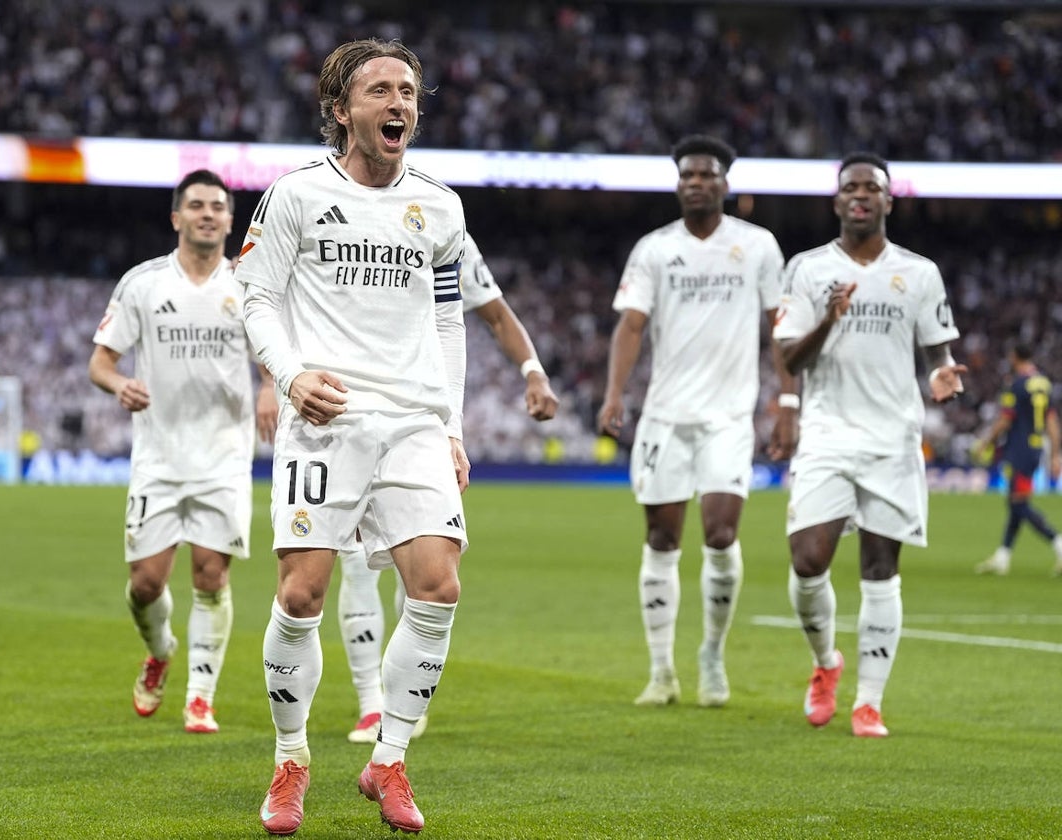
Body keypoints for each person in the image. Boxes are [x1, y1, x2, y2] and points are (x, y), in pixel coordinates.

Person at [235, 39, 468, 836]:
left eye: (407, 91)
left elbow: (446, 318)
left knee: (438, 586)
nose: (398, 103)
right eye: (379, 91)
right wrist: (292, 374)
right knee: (301, 594)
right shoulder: (296, 195)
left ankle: (390, 758)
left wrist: (452, 425)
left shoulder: (440, 205)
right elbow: (255, 297)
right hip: (325, 417)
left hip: (412, 420)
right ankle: (291, 759)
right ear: (341, 110)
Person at [597, 134, 798, 710]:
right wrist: (616, 393)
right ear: (678, 183)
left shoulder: (758, 246)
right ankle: (662, 670)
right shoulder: (655, 249)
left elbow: (780, 329)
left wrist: (788, 404)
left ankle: (711, 651)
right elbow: (631, 326)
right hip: (664, 416)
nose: (696, 182)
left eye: (707, 175)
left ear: (725, 185)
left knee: (721, 532)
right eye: (687, 175)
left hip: (729, 417)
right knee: (661, 538)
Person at [338, 230, 559, 744]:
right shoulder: (340, 216)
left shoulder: (439, 226)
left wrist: (533, 370)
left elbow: (496, 312)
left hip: (421, 420)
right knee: (354, 564)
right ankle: (371, 704)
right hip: (350, 414)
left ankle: (400, 702)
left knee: (420, 567)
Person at [774, 151, 966, 738]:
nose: (860, 195)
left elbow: (938, 350)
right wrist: (830, 319)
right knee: (808, 561)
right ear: (837, 202)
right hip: (828, 433)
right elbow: (788, 357)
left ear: (888, 200)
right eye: (851, 187)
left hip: (892, 438)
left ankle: (870, 703)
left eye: (872, 188)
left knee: (881, 570)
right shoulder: (806, 269)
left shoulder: (920, 272)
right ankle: (827, 661)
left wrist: (943, 374)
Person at [89, 169, 276, 736]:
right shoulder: (143, 284)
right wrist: (119, 385)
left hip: (224, 454)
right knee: (145, 583)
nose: (207, 214)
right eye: (196, 205)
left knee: (211, 576)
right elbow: (101, 361)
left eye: (218, 206)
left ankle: (200, 696)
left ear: (229, 219)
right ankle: (161, 648)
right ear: (177, 217)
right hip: (159, 458)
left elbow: (270, 352)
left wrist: (269, 385)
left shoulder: (248, 285)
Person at [972, 344, 1062, 575]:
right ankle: (1003, 557)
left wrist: (985, 443)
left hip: (1019, 450)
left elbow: (1005, 420)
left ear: (1014, 356)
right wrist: (1055, 455)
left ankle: (1058, 542)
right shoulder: (1043, 383)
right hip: (1036, 448)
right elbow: (1052, 422)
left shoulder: (1017, 384)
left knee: (1019, 504)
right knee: (1015, 503)